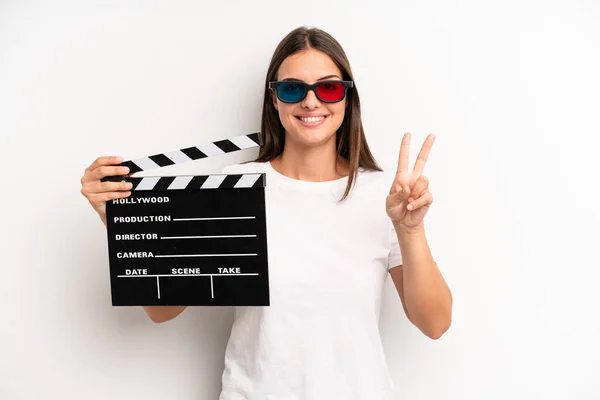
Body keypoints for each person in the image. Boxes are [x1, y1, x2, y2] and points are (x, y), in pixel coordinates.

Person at [80, 26, 452, 400]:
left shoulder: (385, 196)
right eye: (293, 88)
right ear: (274, 99)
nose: (311, 102)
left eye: (328, 88)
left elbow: (435, 322)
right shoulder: (234, 190)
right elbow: (162, 309)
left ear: (347, 98)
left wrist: (410, 230)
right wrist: (117, 219)